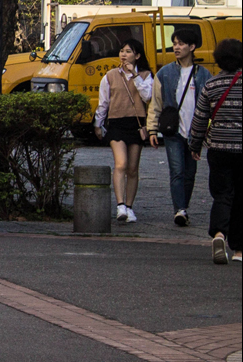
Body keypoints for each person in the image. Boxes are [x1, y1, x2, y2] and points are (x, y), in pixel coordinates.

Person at [147, 25, 211, 226]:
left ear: (192, 47)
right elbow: (155, 103)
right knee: (177, 171)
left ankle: (184, 206)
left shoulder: (203, 74)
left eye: (181, 44)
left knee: (190, 173)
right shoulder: (165, 73)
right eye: (174, 44)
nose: (176, 47)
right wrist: (152, 129)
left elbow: (209, 104)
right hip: (172, 131)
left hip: (195, 132)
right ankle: (180, 210)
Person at [188, 37, 242, 265]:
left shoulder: (211, 85)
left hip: (218, 147)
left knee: (222, 193)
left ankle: (219, 234)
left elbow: (200, 119)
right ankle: (239, 250)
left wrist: (195, 144)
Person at [94, 37, 154, 224]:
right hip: (116, 123)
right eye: (122, 51)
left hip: (136, 124)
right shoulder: (110, 75)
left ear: (137, 55)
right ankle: (120, 205)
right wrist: (98, 123)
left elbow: (148, 96)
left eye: (128, 51)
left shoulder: (145, 75)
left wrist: (134, 76)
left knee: (133, 169)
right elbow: (103, 102)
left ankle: (129, 207)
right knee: (121, 163)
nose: (124, 55)